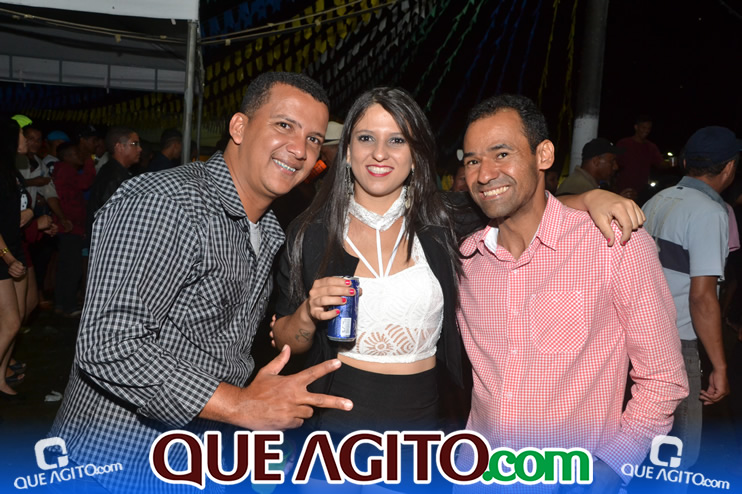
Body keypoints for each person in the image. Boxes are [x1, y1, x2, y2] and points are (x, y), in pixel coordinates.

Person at [50, 72, 352, 493]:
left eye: (314, 139)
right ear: (239, 127)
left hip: (192, 463)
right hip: (114, 465)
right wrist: (239, 404)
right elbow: (108, 343)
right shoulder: (167, 202)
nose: (300, 149)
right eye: (284, 125)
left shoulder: (269, 230)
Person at [456, 94, 688, 493]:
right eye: (473, 161)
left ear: (543, 155)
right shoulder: (467, 260)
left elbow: (663, 378)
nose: (485, 173)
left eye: (502, 154)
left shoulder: (613, 245)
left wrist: (611, 468)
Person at [642, 126, 738, 470]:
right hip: (677, 342)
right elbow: (702, 297)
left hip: (642, 336)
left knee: (647, 443)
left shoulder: (657, 200)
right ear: (729, 167)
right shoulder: (710, 213)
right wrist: (720, 366)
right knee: (680, 453)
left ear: (685, 162)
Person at [0, 116, 31, 399]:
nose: (26, 138)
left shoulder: (11, 170)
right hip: (3, 253)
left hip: (13, 248)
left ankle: (1, 377)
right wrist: (8, 259)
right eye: (21, 134)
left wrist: (31, 214)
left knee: (16, 319)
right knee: (9, 323)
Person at [86, 126, 141, 239]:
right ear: (119, 147)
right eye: (134, 144)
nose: (140, 149)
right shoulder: (113, 176)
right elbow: (112, 217)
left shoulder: (116, 171)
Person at [616, 114, 664, 199]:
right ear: (636, 127)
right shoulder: (624, 143)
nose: (646, 131)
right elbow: (614, 164)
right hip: (623, 190)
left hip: (642, 192)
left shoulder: (651, 147)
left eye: (649, 128)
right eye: (643, 127)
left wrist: (672, 162)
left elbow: (660, 164)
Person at [556, 137, 622, 196]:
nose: (616, 167)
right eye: (612, 161)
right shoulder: (579, 187)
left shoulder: (584, 184)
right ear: (596, 161)